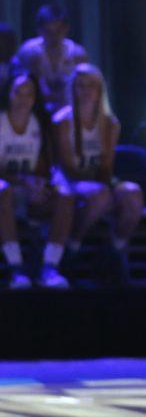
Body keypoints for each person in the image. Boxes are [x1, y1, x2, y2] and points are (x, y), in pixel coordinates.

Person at [52, 63, 142, 282]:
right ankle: (71, 248)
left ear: (100, 89)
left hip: (98, 178)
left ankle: (113, 252)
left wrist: (106, 183)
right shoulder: (62, 120)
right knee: (100, 196)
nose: (86, 91)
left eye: (91, 86)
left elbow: (106, 164)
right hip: (68, 180)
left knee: (133, 194)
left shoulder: (110, 123)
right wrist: (100, 185)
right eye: (80, 86)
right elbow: (67, 165)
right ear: (72, 89)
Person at [0, 72, 71, 288]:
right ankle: (16, 269)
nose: (23, 98)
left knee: (64, 195)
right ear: (9, 94)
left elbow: (47, 165)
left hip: (30, 193)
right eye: (18, 92)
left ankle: (50, 267)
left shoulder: (41, 124)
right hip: (7, 193)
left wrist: (41, 184)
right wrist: (21, 180)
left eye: (29, 93)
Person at [12, 5, 89, 113]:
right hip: (35, 110)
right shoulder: (28, 51)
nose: (54, 36)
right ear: (39, 30)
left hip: (69, 110)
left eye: (58, 30)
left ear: (66, 28)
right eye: (48, 31)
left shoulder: (77, 53)